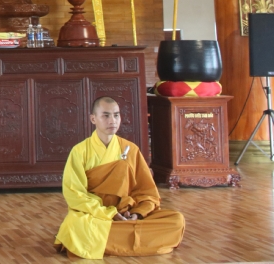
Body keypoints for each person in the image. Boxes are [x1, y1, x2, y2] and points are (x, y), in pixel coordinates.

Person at [55, 97, 185, 259]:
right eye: (106, 115)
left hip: (127, 213)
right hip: (96, 215)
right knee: (77, 225)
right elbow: (75, 194)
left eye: (116, 115)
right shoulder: (80, 151)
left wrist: (137, 213)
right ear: (93, 119)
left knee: (175, 220)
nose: (112, 120)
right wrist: (109, 214)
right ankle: (133, 242)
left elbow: (147, 192)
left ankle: (103, 242)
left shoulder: (130, 150)